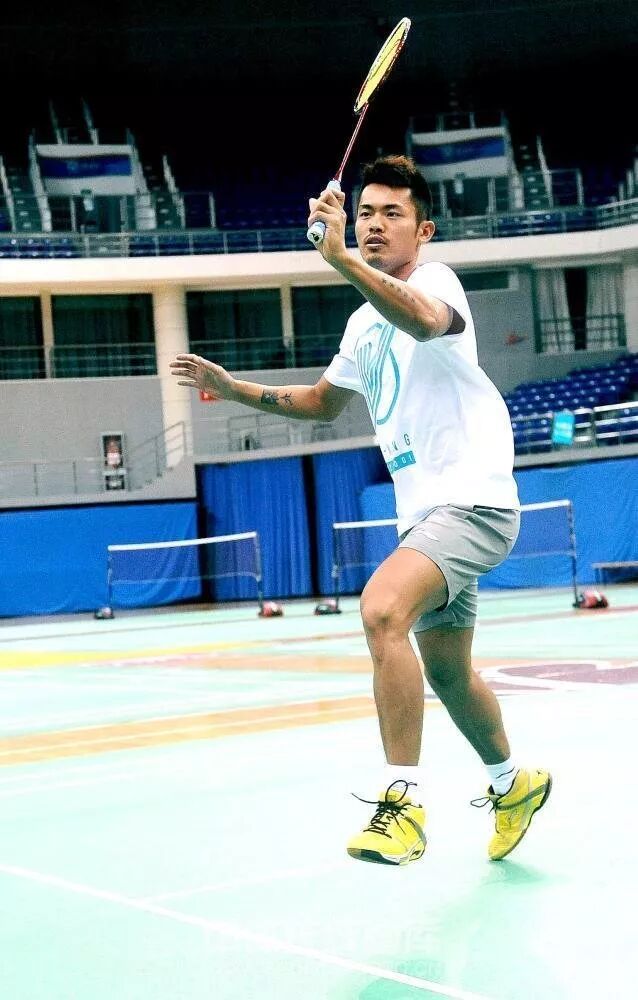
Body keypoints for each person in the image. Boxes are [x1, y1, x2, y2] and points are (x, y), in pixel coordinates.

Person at [170, 154, 551, 867]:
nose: (375, 224)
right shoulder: (360, 325)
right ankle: (513, 782)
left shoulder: (436, 283)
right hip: (425, 516)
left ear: (423, 230)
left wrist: (341, 257)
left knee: (381, 611)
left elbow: (426, 322)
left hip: (472, 501)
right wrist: (234, 386)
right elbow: (321, 405)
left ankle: (400, 807)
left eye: (392, 214)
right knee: (447, 674)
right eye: (366, 212)